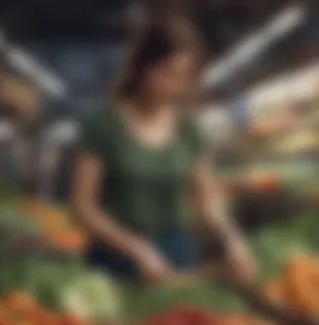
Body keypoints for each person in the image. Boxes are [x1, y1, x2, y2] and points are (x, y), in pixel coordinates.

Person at [72, 15, 256, 284]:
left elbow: (207, 200)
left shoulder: (188, 130)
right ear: (142, 68)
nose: (176, 87)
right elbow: (83, 208)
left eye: (184, 76)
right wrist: (136, 248)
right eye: (167, 73)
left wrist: (232, 239)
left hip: (177, 254)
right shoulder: (103, 127)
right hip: (114, 261)